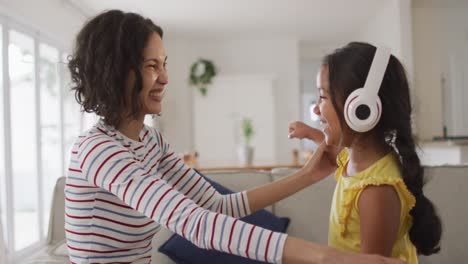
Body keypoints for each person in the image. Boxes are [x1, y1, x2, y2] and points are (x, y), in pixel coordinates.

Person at [66, 10, 405, 264]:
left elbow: (216, 206)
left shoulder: (151, 143)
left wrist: (307, 175)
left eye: (164, 64)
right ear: (115, 71)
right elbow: (195, 223)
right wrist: (332, 258)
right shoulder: (97, 150)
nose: (165, 77)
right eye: (151, 66)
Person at [288, 42, 442, 264]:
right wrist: (313, 134)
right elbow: (332, 153)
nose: (315, 109)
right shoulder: (355, 159)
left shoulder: (376, 192)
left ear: (361, 109)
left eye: (322, 97)